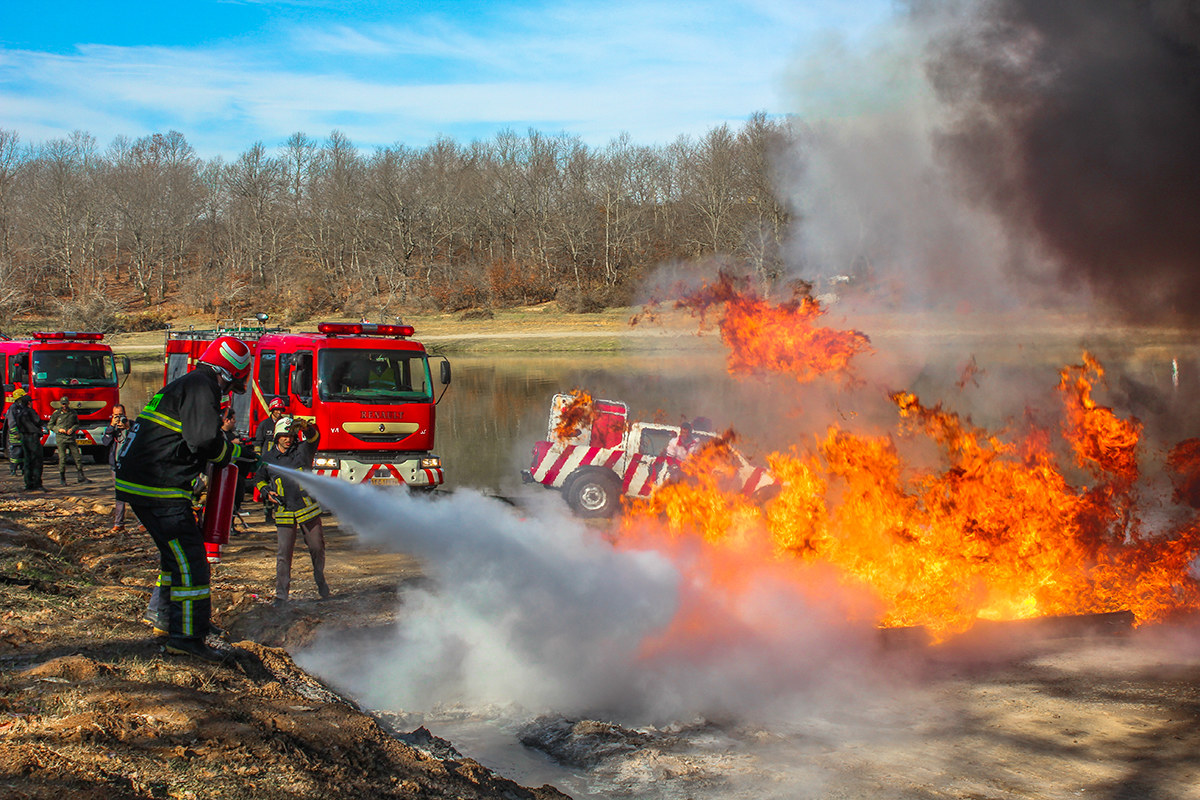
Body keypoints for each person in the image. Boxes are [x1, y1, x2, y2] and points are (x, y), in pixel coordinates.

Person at [115, 335, 253, 663]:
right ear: (229, 372)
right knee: (192, 563)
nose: (232, 389)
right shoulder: (202, 386)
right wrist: (235, 452)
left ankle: (165, 619)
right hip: (159, 486)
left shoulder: (188, 383)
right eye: (234, 382)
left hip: (146, 482)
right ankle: (188, 637)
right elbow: (204, 440)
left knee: (173, 559)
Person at [257, 416, 329, 606]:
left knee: (317, 547)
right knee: (284, 554)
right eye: (284, 436)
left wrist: (308, 427)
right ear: (277, 437)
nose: (288, 439)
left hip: (307, 507)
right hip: (284, 510)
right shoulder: (268, 458)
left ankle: (320, 579)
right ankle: (281, 596)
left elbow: (314, 438)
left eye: (290, 435)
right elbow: (259, 479)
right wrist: (266, 491)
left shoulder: (303, 450)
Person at [253, 397, 288, 523]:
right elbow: (258, 442)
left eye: (280, 409)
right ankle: (268, 515)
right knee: (267, 487)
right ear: (272, 410)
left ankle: (281, 509)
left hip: (280, 460)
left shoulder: (284, 423)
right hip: (267, 460)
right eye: (277, 410)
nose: (279, 412)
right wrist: (258, 457)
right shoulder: (264, 425)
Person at [101, 404, 133, 531]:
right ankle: (119, 524)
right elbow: (105, 442)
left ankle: (142, 523)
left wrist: (127, 427)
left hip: (130, 466)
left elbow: (140, 439)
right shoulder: (112, 429)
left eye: (120, 415)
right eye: (116, 416)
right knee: (120, 496)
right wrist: (111, 427)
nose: (119, 418)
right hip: (116, 467)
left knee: (134, 495)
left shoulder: (132, 425)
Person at [9, 389, 45, 492]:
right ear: (29, 403)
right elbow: (38, 421)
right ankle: (37, 484)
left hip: (24, 438)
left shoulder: (19, 413)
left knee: (27, 461)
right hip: (33, 438)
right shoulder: (30, 411)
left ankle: (28, 484)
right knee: (37, 461)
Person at [47, 397, 90, 485]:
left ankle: (80, 476)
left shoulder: (73, 413)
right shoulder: (56, 414)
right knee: (62, 459)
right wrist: (58, 429)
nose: (64, 406)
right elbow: (50, 425)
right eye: (63, 404)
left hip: (71, 438)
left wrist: (72, 429)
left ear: (68, 403)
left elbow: (77, 424)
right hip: (61, 438)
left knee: (77, 457)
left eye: (65, 404)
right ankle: (62, 478)